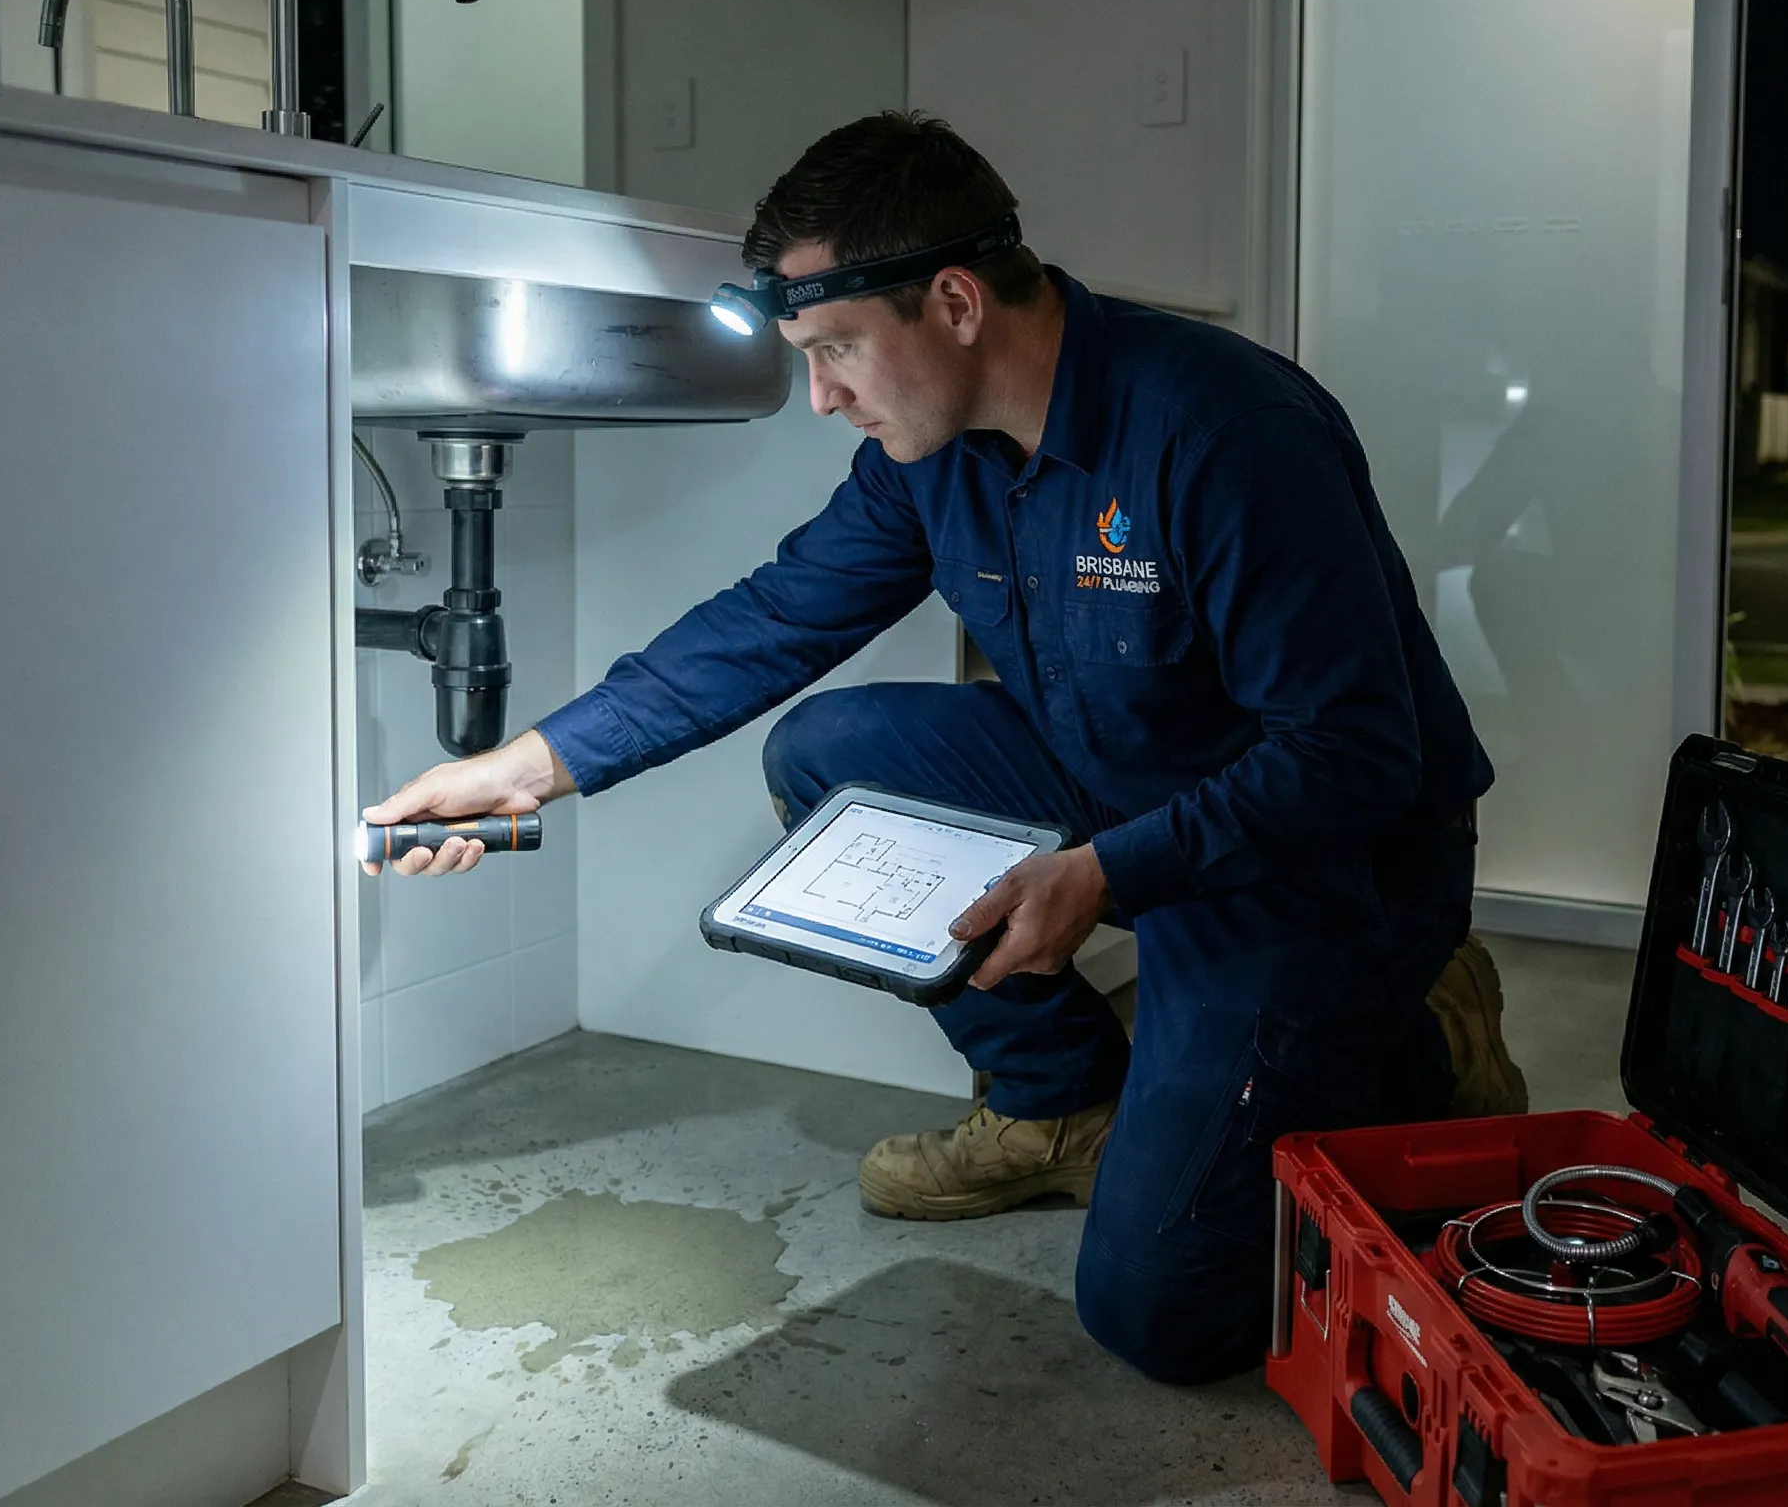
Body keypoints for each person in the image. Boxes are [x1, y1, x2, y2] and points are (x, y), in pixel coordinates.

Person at [360, 111, 1527, 1384]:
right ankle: (1061, 1104)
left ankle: (1417, 1037)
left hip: (1316, 865)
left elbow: (1353, 758)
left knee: (1161, 1313)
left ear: (956, 302)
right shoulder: (931, 458)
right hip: (1124, 786)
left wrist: (1102, 877)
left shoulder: (1221, 429)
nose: (823, 397)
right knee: (835, 751)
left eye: (837, 352)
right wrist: (523, 768)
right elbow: (770, 619)